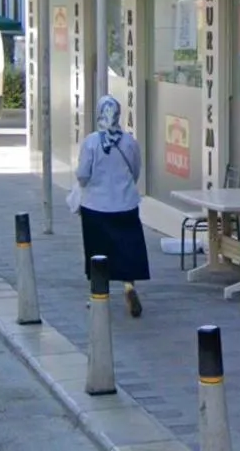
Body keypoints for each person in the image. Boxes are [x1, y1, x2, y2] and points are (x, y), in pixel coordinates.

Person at [75, 95, 150, 318]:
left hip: (95, 207)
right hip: (125, 204)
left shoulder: (91, 142)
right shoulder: (129, 142)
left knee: (97, 252)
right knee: (127, 249)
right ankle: (129, 286)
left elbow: (82, 174)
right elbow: (136, 170)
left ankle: (99, 294)